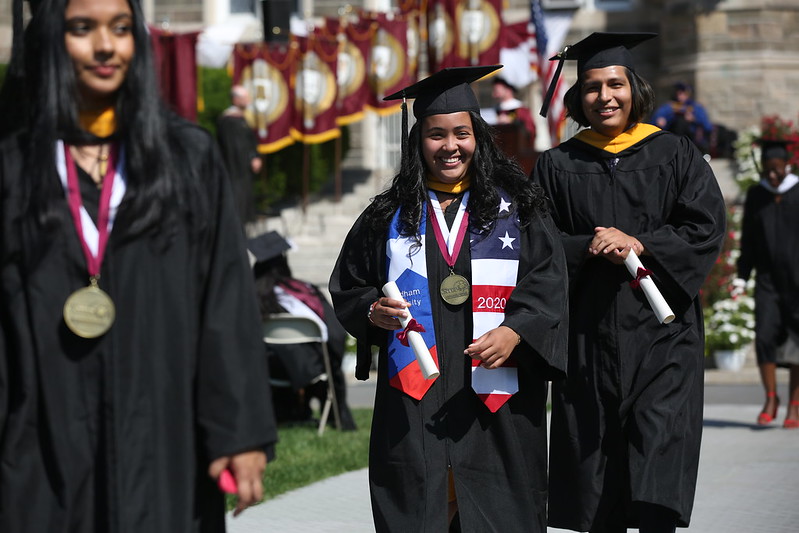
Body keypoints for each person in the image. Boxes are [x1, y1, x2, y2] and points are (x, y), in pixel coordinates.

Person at [0, 0, 276, 531]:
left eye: (121, 28)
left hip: (162, 439)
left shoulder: (186, 160)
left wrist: (238, 432)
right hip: (41, 443)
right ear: (53, 39)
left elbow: (224, 302)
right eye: (83, 28)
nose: (106, 46)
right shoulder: (15, 169)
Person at [329, 65, 569, 532]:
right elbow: (351, 285)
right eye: (436, 135)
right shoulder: (387, 216)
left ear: (478, 136)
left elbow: (549, 280)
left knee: (500, 509)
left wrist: (516, 329)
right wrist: (371, 312)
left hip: (497, 394)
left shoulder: (517, 208)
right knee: (419, 508)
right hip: (417, 396)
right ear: (418, 141)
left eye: (461, 133)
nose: (450, 146)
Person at [535, 32, 726, 532]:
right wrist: (589, 246)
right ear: (579, 97)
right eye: (594, 87)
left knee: (657, 448)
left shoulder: (674, 153)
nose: (605, 97)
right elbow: (537, 243)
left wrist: (640, 243)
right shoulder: (557, 165)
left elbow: (704, 227)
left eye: (615, 84)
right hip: (588, 337)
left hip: (664, 334)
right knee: (597, 467)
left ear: (634, 88)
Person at [249, 230, 357, 431]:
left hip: (263, 367)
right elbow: (336, 333)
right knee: (322, 361)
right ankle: (337, 420)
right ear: (284, 263)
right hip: (308, 369)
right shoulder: (304, 292)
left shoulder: (247, 297)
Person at [735, 138, 799, 429]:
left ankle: (794, 406)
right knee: (764, 336)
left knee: (797, 342)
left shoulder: (797, 191)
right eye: (767, 171)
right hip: (767, 282)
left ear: (787, 165)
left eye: (777, 170)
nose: (772, 176)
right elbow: (748, 241)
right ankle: (771, 398)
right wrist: (741, 277)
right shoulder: (757, 195)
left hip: (798, 282)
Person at [217, 84, 262, 225]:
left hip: (243, 169)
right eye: (245, 97)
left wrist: (254, 156)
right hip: (235, 170)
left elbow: (249, 142)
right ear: (236, 100)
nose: (248, 100)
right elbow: (235, 148)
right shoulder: (229, 120)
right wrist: (249, 158)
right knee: (237, 206)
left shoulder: (240, 118)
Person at [650, 81, 713, 153]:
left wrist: (693, 119)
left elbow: (708, 126)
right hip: (673, 141)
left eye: (683, 93)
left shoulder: (696, 108)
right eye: (678, 92)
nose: (680, 95)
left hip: (692, 143)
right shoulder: (669, 107)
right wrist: (660, 121)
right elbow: (655, 120)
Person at [491, 76, 536, 145]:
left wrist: (513, 121)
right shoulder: (495, 110)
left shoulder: (521, 109)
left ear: (508, 90)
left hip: (517, 146)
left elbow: (530, 130)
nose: (494, 94)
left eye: (497, 90)